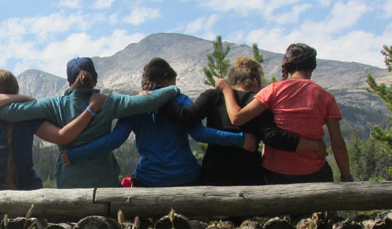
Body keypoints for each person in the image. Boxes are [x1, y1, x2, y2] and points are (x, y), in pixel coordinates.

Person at [0, 57, 181, 188]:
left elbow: (8, 113)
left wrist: (17, 99)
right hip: (104, 181)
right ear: (95, 80)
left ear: (69, 82)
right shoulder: (109, 102)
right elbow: (150, 100)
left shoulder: (55, 105)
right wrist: (173, 89)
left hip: (69, 182)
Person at [61, 58, 256, 187]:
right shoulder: (180, 100)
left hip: (149, 180)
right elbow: (200, 134)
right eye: (173, 81)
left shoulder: (135, 107)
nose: (175, 86)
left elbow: (114, 140)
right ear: (165, 80)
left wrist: (75, 154)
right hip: (186, 177)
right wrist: (241, 139)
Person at [158, 57, 327, 185]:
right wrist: (313, 145)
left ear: (233, 79)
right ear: (256, 80)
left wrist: (158, 103)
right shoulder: (259, 103)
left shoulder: (214, 96)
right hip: (249, 176)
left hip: (215, 174)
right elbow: (272, 137)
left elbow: (187, 116)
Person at [221, 43, 352, 184]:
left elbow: (237, 118)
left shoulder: (272, 90)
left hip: (276, 174)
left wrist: (226, 89)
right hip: (314, 173)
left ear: (287, 66)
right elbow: (337, 143)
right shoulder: (325, 97)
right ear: (313, 66)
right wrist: (346, 176)